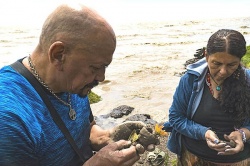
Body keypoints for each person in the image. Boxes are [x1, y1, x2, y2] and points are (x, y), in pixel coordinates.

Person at [0, 4, 159, 166]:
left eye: (105, 67)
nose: (102, 77)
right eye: (95, 67)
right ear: (58, 55)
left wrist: (110, 136)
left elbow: (86, 129)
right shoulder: (9, 118)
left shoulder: (73, 83)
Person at [164, 29, 250, 165]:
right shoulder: (190, 80)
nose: (223, 71)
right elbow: (176, 118)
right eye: (216, 63)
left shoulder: (248, 81)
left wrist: (243, 134)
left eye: (231, 65)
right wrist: (204, 133)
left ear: (240, 60)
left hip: (238, 161)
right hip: (195, 158)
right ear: (206, 56)